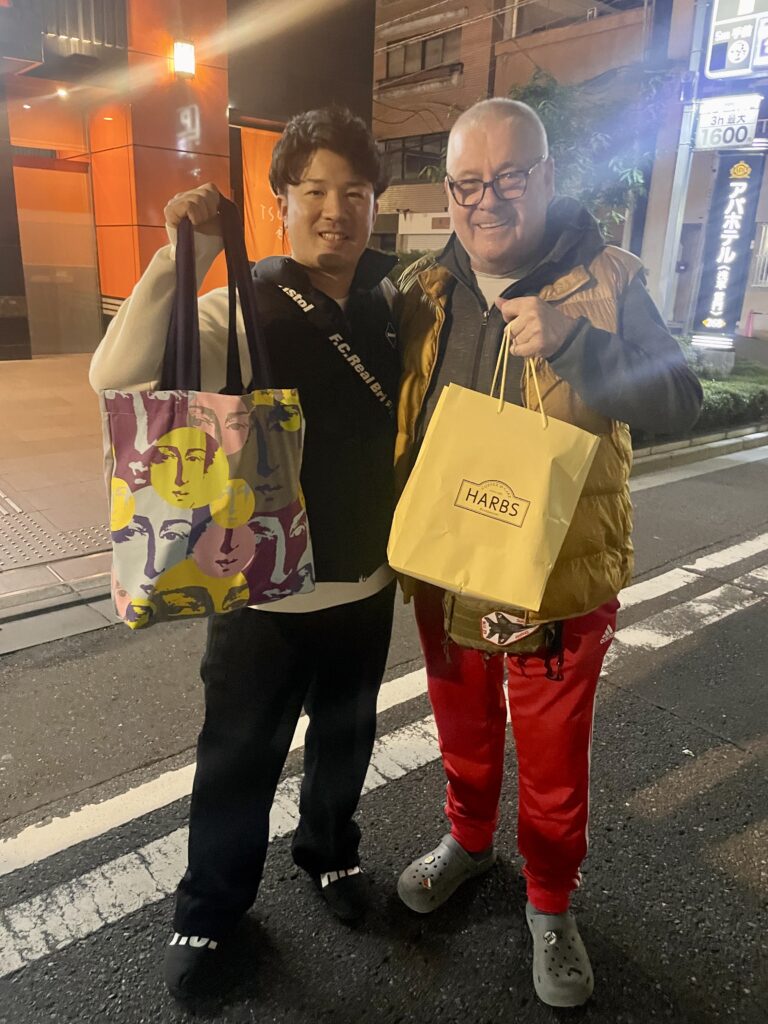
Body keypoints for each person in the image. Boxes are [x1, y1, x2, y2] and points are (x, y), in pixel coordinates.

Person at [393, 98, 703, 1009]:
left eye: (509, 177)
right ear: (449, 193)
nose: (487, 200)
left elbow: (680, 400)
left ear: (548, 177)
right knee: (463, 729)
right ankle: (467, 841)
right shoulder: (424, 289)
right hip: (450, 567)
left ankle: (551, 901)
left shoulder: (608, 279)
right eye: (467, 183)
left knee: (554, 754)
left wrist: (578, 343)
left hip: (556, 583)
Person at [89, 106, 401, 999]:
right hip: (261, 592)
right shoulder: (239, 305)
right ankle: (210, 910)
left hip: (367, 580)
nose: (335, 211)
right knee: (237, 758)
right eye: (315, 192)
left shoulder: (393, 303)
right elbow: (116, 377)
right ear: (281, 203)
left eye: (355, 192)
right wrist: (174, 257)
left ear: (373, 203)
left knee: (345, 740)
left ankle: (331, 854)